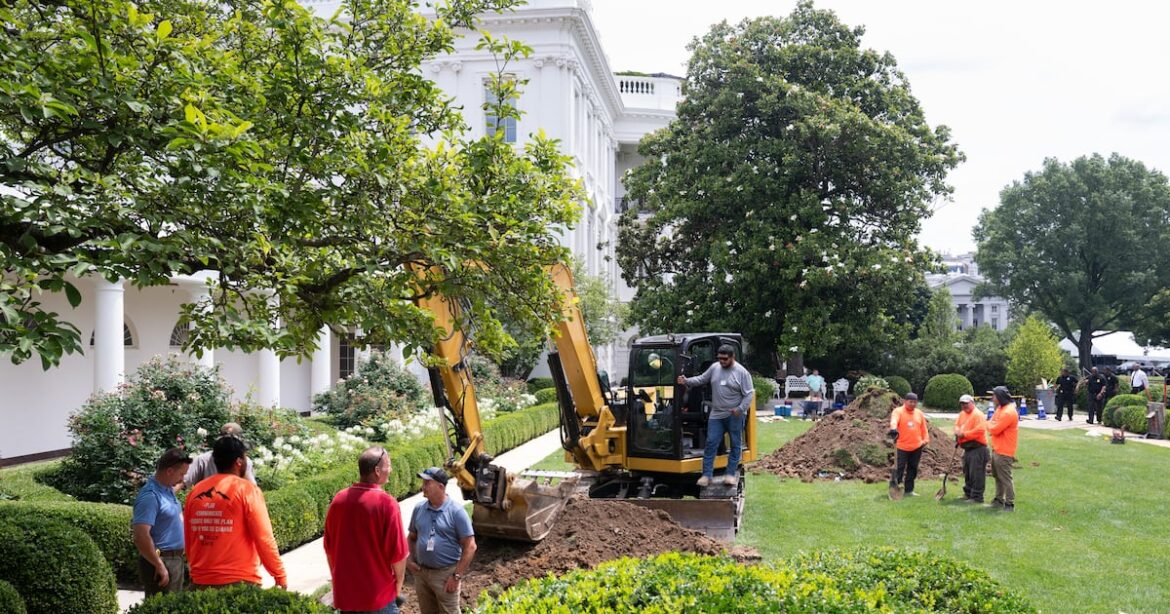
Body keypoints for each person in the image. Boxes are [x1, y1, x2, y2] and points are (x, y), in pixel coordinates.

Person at [183, 436, 287, 589]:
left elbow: (188, 537)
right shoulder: (247, 490)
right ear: (239, 462)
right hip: (239, 581)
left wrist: (196, 572)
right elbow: (264, 537)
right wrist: (279, 575)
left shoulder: (195, 493)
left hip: (200, 582)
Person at [325, 446, 408, 614]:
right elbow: (398, 554)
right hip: (378, 597)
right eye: (388, 465)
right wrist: (398, 585)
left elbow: (329, 548)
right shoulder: (387, 504)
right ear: (377, 471)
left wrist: (338, 581)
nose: (390, 470)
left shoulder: (338, 500)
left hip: (347, 597)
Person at [676, 344, 754, 487]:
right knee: (711, 442)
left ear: (732, 357)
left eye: (725, 359)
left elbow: (749, 394)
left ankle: (730, 474)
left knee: (735, 444)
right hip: (717, 415)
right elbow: (701, 379)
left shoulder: (742, 373)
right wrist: (686, 381)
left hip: (735, 415)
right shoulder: (714, 368)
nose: (722, 361)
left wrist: (740, 409)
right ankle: (706, 476)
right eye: (720, 358)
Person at [406, 468, 477, 614]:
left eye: (427, 483)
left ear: (441, 486)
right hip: (422, 573)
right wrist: (409, 560)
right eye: (423, 482)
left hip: (445, 575)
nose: (423, 487)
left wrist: (456, 576)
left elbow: (470, 546)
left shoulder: (456, 512)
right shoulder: (419, 508)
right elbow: (411, 537)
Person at [132, 448, 193, 596]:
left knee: (173, 605)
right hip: (162, 561)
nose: (182, 479)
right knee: (162, 605)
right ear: (169, 471)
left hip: (174, 560)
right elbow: (140, 536)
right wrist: (159, 564)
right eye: (181, 474)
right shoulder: (150, 496)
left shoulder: (167, 490)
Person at [184, 422, 256, 487]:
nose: (228, 444)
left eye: (231, 441)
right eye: (225, 440)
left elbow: (251, 488)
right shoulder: (203, 460)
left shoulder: (245, 462)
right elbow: (184, 482)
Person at [887, 392, 930, 497]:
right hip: (902, 446)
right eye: (911, 402)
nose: (913, 404)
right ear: (905, 401)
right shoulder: (898, 411)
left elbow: (924, 428)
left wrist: (925, 440)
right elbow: (894, 421)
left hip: (917, 446)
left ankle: (909, 490)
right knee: (899, 468)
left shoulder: (919, 413)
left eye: (915, 402)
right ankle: (895, 488)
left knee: (913, 468)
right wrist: (893, 429)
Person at [987, 386, 1019, 512]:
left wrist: (990, 425)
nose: (992, 398)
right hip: (997, 448)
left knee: (1005, 478)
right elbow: (991, 422)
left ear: (999, 397)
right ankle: (999, 499)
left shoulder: (1008, 412)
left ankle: (1009, 503)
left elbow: (994, 429)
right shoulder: (1000, 409)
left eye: (994, 395)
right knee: (997, 476)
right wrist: (990, 424)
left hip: (1005, 450)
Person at [953, 395, 989, 503]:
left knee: (976, 473)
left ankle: (977, 497)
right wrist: (957, 431)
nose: (964, 406)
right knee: (968, 472)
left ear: (972, 403)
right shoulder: (962, 414)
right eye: (962, 404)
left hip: (978, 448)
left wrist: (964, 434)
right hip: (967, 448)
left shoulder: (978, 414)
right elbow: (957, 425)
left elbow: (980, 430)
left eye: (966, 403)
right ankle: (968, 494)